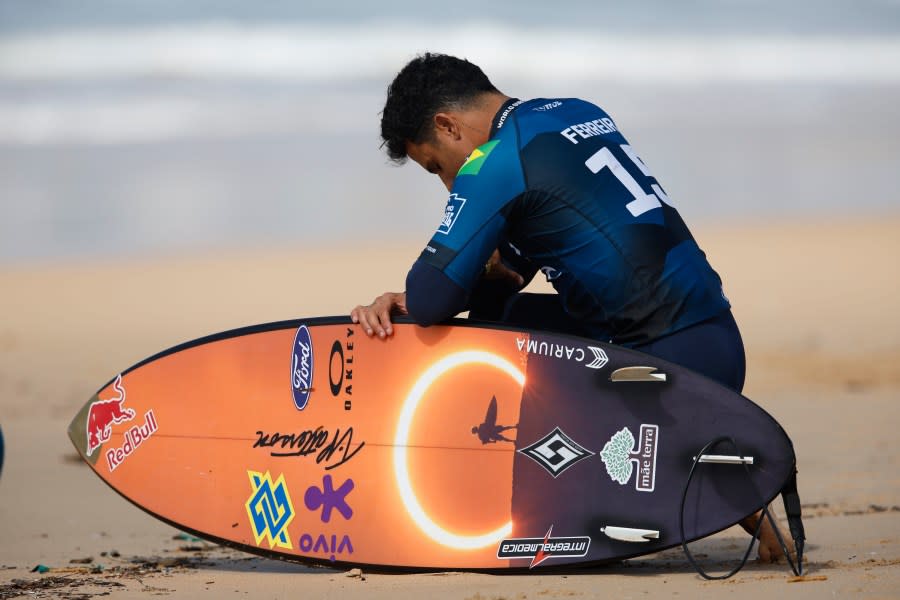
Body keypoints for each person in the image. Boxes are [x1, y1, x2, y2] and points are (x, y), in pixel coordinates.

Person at [350, 52, 784, 561]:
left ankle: (684, 461)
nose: (447, 183)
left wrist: (411, 298)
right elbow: (511, 270)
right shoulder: (573, 113)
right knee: (502, 320)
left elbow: (431, 299)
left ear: (447, 126)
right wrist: (468, 276)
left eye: (436, 166)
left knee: (473, 336)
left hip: (665, 374)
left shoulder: (497, 161)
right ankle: (713, 461)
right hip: (718, 344)